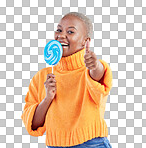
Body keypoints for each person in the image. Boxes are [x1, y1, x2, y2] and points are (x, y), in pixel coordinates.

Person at [21, 12, 113, 148]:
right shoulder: (42, 77)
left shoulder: (89, 69)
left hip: (91, 144)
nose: (61, 35)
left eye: (70, 32)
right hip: (55, 145)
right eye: (59, 30)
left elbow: (98, 75)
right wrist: (47, 98)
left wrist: (95, 65)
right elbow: (34, 124)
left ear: (85, 41)